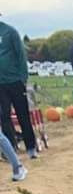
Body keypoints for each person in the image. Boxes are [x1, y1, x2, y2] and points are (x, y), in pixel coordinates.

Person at [0, 16, 37, 160]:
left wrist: (23, 77)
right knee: (4, 117)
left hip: (15, 80)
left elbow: (21, 54)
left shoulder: (10, 32)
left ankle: (31, 147)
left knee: (23, 114)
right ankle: (11, 150)